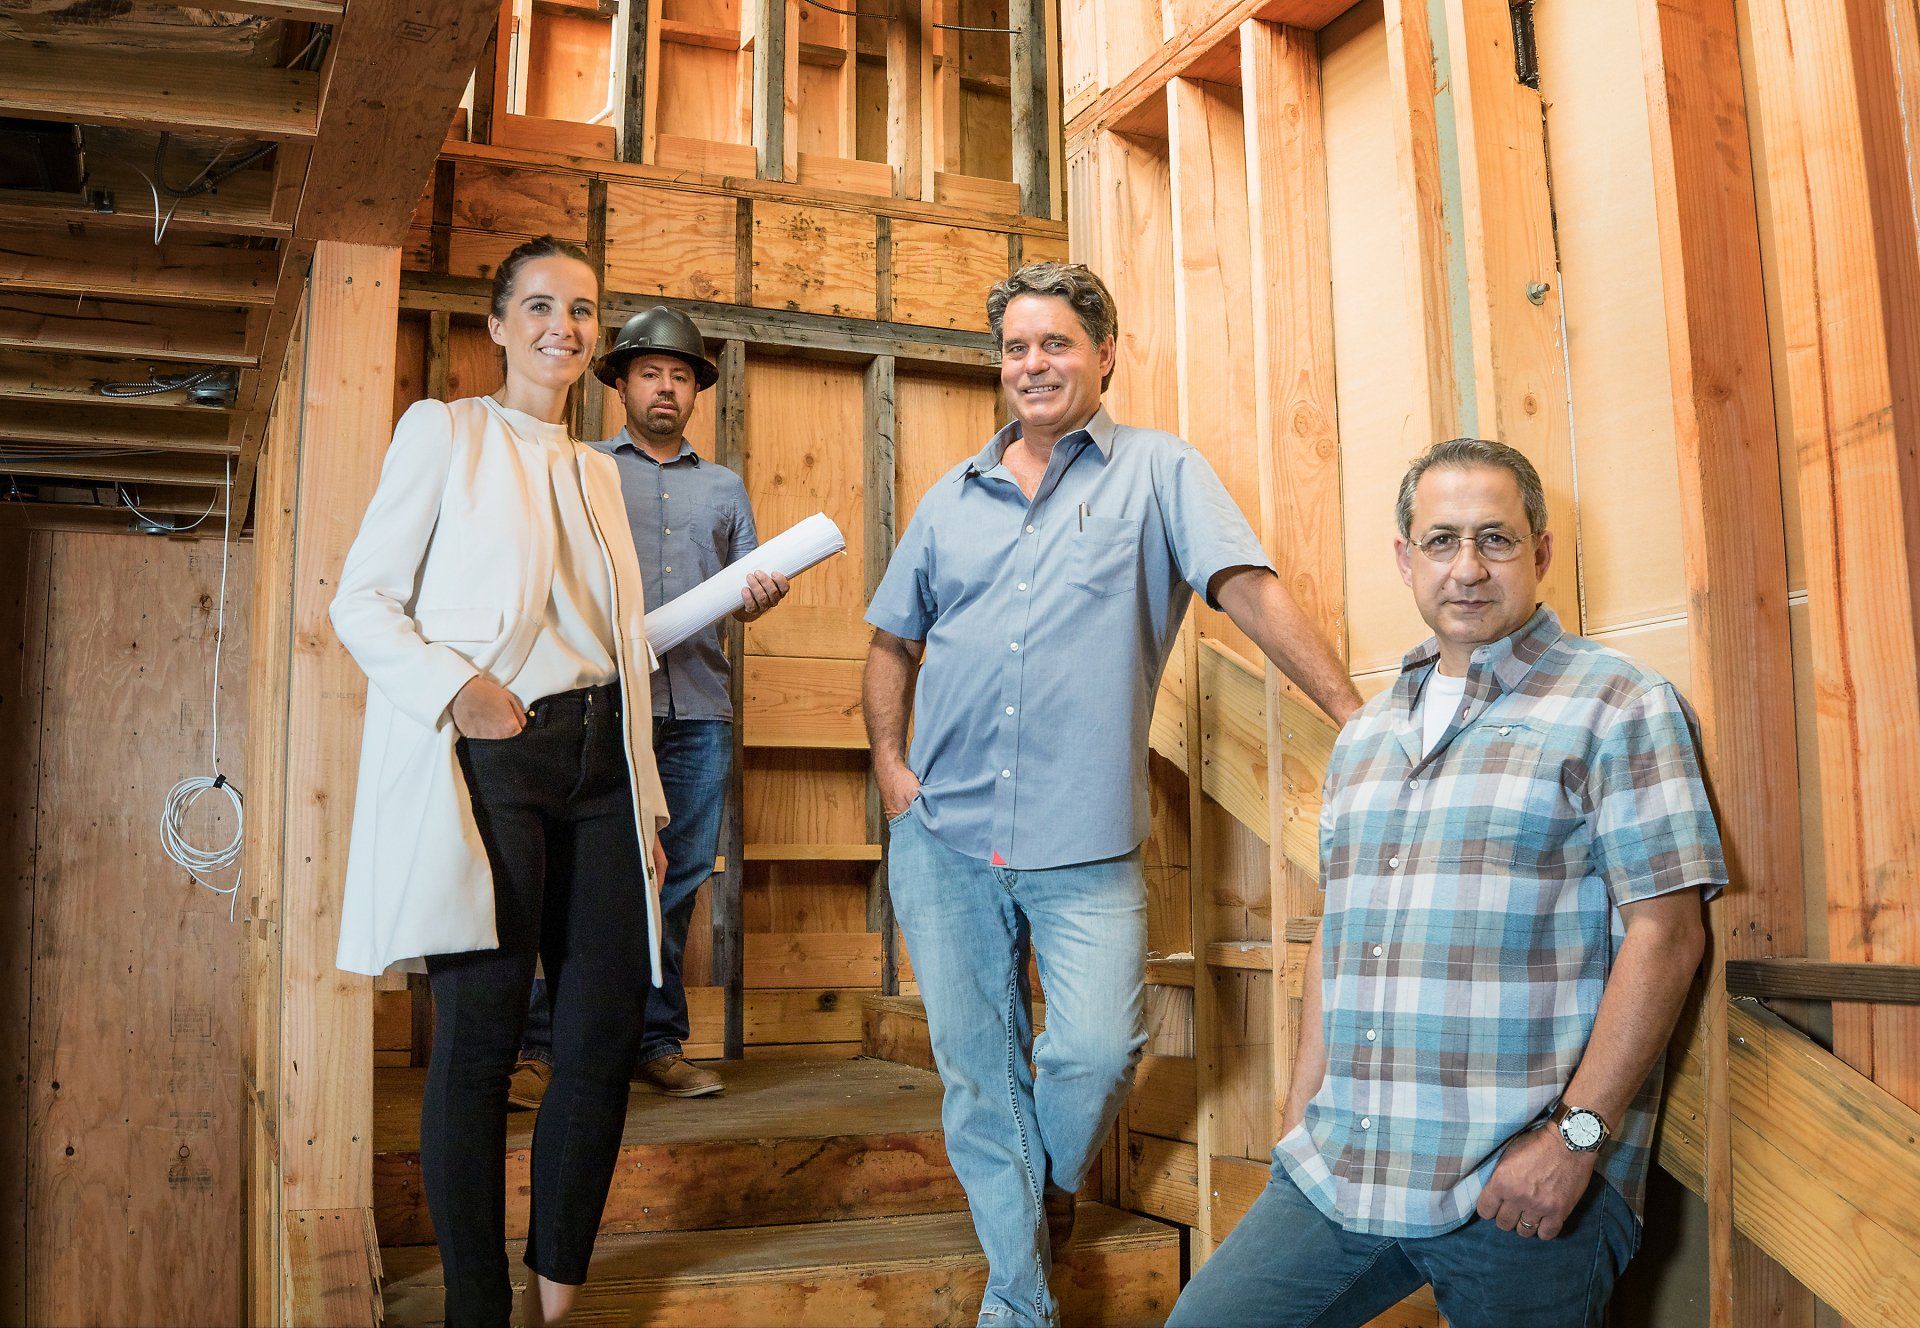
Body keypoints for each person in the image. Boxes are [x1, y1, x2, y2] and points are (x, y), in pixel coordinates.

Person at [862, 260, 1363, 1327]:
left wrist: (1354, 715)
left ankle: (1044, 1183)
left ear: (1103, 354)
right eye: (1016, 347)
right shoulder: (950, 498)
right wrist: (889, 767)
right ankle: (1018, 1292)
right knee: (975, 1069)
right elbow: (891, 642)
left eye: (1055, 343)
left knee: (1094, 1050)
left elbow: (1246, 589)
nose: (1032, 363)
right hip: (941, 831)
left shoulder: (1160, 471)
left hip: (1083, 837)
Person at [1167, 438, 1717, 1328]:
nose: (1467, 567)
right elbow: (1338, 936)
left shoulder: (1618, 706)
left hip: (1525, 1181)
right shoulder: (1367, 735)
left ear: (1539, 552)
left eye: (1495, 540)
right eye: (1441, 541)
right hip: (1344, 1168)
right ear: (1405, 558)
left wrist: (1577, 1141)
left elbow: (1669, 935)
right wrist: (1299, 1118)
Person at [331, 236, 670, 1328]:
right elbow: (362, 601)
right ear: (496, 322)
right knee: (480, 1039)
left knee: (602, 1029)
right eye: (537, 305)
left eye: (580, 309)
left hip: (603, 759)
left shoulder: (600, 470)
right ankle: (477, 1304)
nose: (560, 326)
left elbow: (617, 642)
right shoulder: (446, 430)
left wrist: (650, 801)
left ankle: (556, 1290)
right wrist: (457, 686)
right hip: (494, 754)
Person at [510, 306, 787, 1106]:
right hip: (600, 707)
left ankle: (654, 1044)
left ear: (696, 391)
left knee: (680, 881)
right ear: (620, 383)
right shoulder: (582, 468)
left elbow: (745, 589)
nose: (666, 388)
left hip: (698, 711)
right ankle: (544, 1047)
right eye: (649, 373)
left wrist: (760, 596)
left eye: (680, 376)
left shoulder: (724, 488)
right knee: (577, 877)